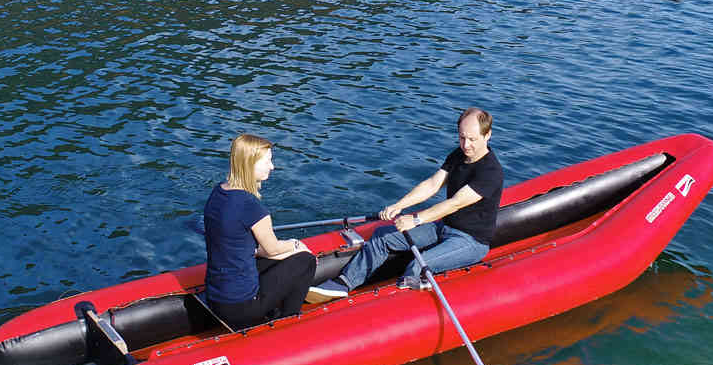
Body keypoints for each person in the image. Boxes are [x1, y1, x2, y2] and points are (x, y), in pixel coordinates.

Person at [306, 108, 505, 302]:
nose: (466, 145)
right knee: (382, 236)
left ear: (487, 135)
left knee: (419, 264)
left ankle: (393, 304)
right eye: (462, 137)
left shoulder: (491, 172)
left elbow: (455, 203)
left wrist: (416, 219)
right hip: (445, 227)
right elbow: (432, 184)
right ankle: (344, 283)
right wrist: (399, 205)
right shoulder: (458, 155)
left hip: (471, 241)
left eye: (472, 139)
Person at [203, 134, 317, 329]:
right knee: (306, 260)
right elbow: (272, 249)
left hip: (215, 295)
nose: (272, 166)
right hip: (241, 305)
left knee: (288, 257)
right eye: (267, 161)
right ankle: (289, 320)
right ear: (250, 164)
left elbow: (247, 248)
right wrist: (296, 245)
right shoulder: (251, 206)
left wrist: (288, 251)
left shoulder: (218, 192)